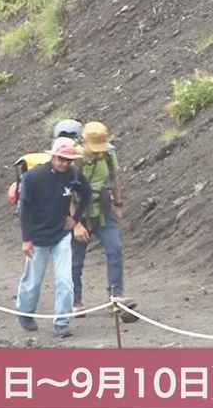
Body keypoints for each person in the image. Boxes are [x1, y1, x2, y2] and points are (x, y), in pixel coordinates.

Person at [16, 137, 90, 338]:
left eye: (68, 160)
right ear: (53, 156)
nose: (64, 163)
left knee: (65, 280)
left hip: (61, 234)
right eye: (61, 159)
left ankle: (62, 321)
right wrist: (26, 238)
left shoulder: (73, 175)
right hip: (37, 236)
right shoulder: (33, 177)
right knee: (33, 280)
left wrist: (74, 219)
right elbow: (25, 208)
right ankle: (25, 312)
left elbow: (87, 194)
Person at [70, 121, 135, 320]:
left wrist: (118, 203)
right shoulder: (74, 159)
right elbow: (66, 193)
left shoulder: (108, 154)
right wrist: (76, 224)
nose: (98, 152)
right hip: (78, 212)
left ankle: (115, 298)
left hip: (104, 210)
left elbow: (114, 178)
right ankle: (76, 301)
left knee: (114, 249)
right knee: (76, 260)